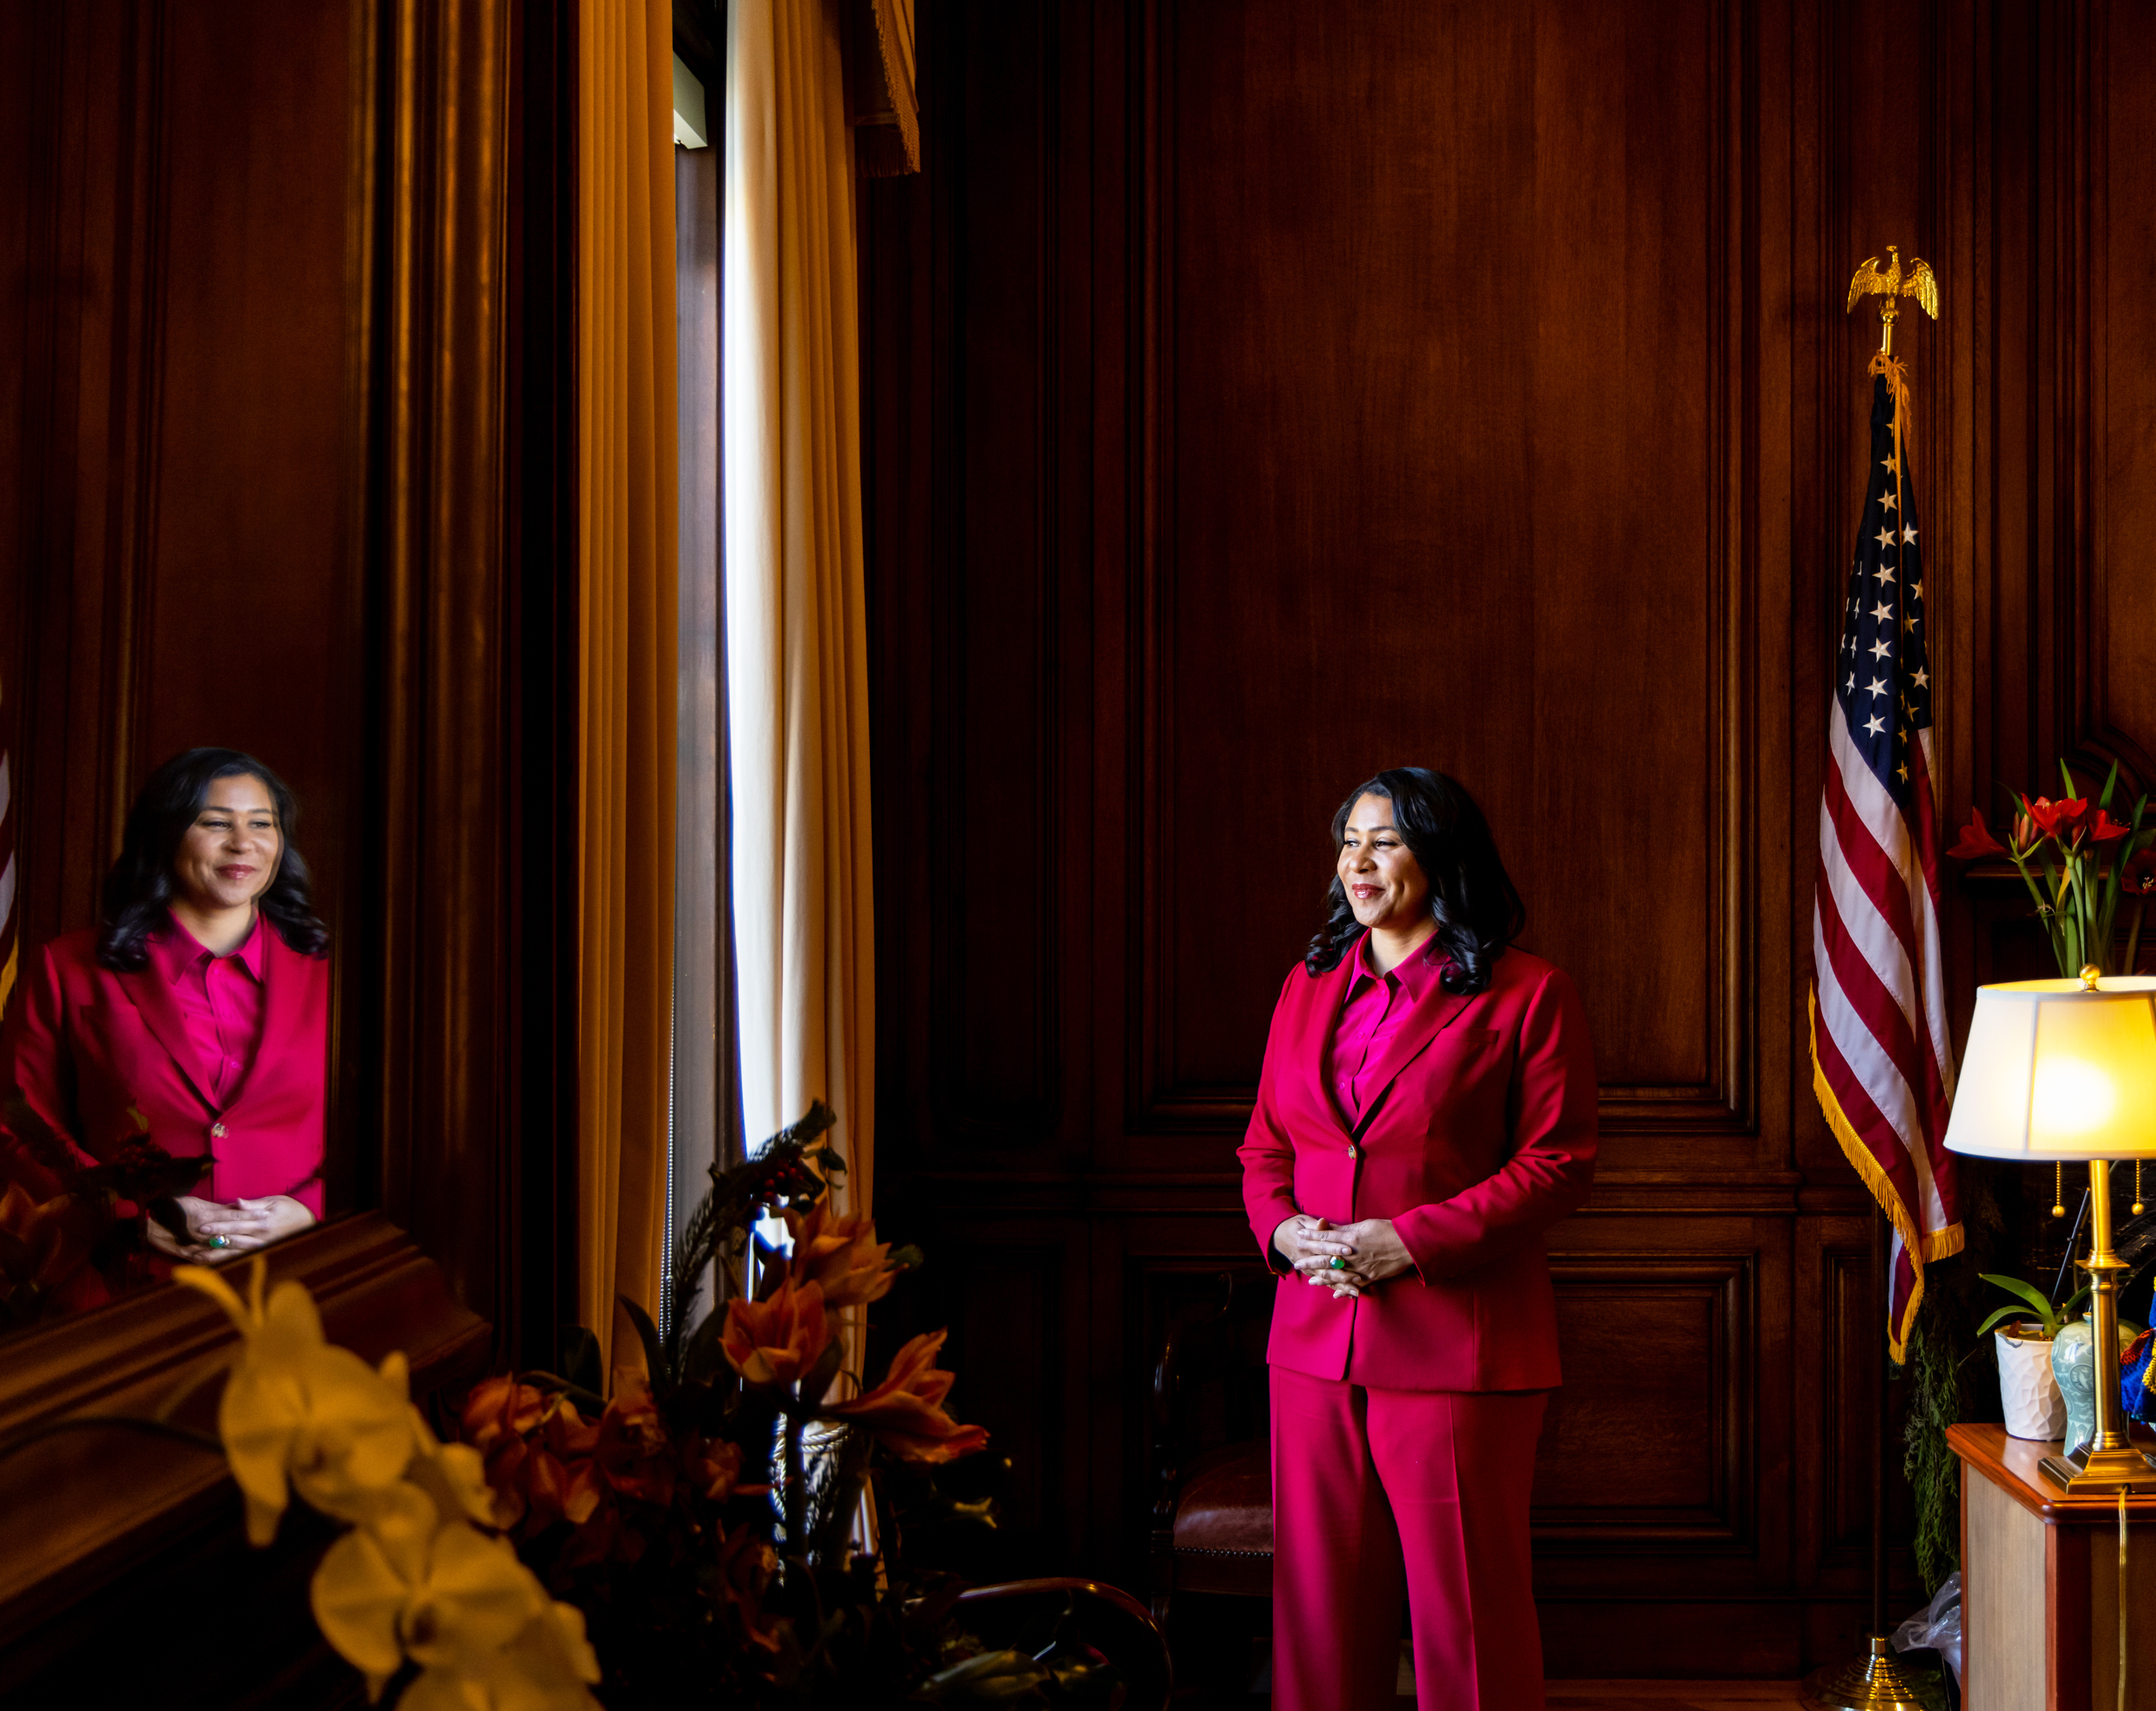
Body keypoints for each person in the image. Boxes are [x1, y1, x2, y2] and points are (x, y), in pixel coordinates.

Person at [1237, 767, 1597, 1711]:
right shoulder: (1306, 985)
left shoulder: (1528, 993)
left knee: (1466, 1619)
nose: (1359, 861)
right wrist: (1282, 1232)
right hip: (1313, 1342)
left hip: (1457, 1346)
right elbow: (1265, 1145)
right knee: (1317, 1615)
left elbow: (1557, 1162)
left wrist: (1409, 1241)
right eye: (1349, 840)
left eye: (1385, 840)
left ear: (1440, 855)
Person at [2, 748, 330, 1287]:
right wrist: (121, 1211)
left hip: (305, 1277)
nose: (243, 843)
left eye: (262, 824)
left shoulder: (331, 977)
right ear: (166, 833)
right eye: (216, 823)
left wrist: (314, 1208)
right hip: (122, 1286)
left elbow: (379, 1138)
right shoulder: (68, 968)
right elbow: (18, 1126)